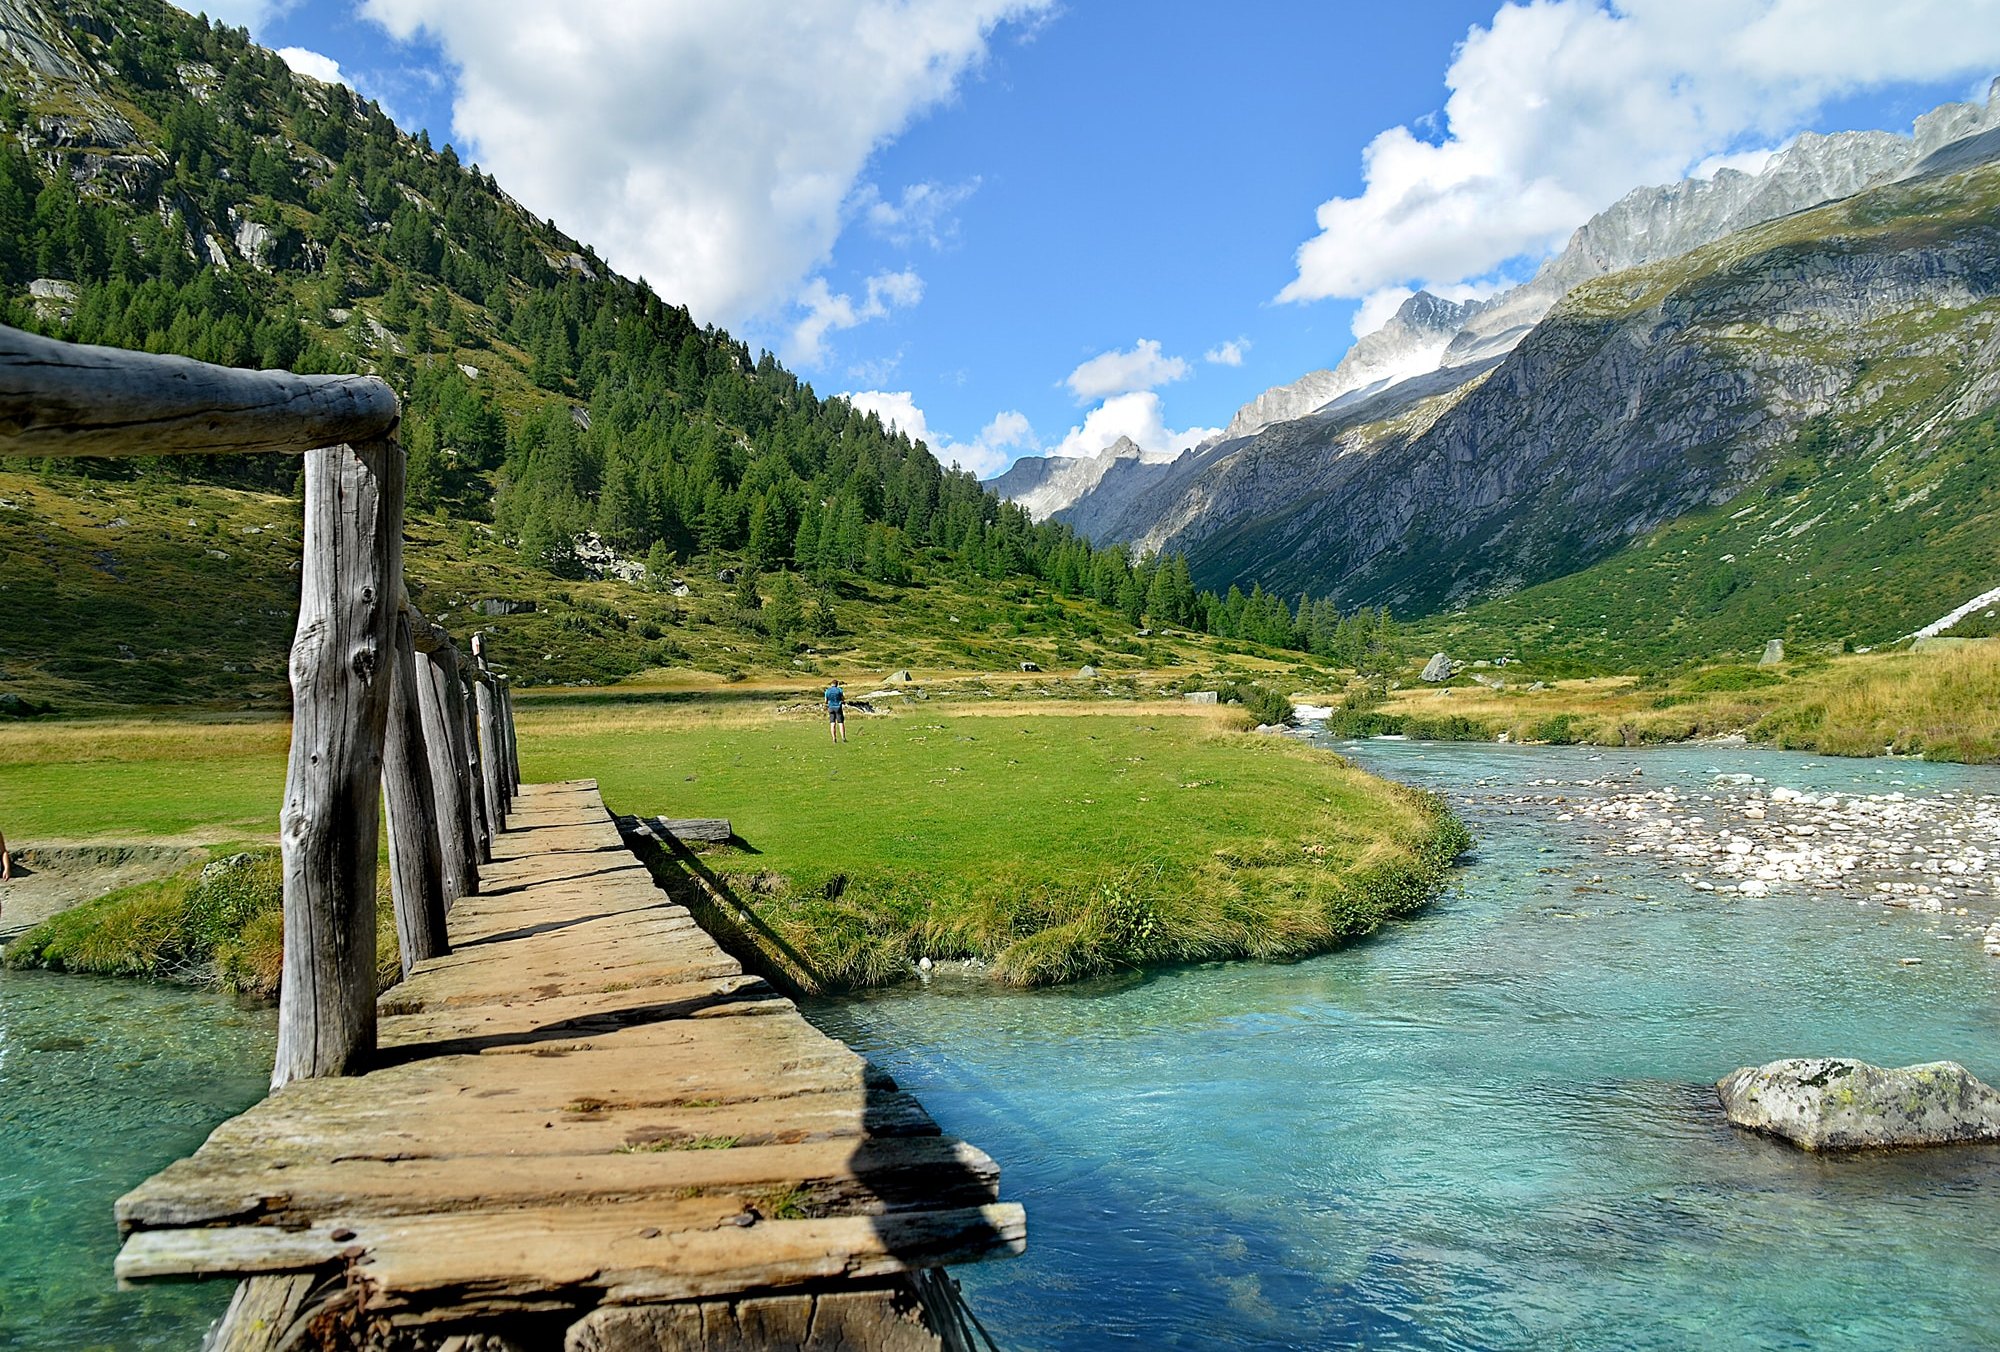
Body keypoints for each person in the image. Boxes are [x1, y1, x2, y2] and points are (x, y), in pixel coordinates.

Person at [824, 678, 847, 744]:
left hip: (831, 707)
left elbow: (826, 701)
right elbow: (843, 698)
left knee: (832, 723)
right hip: (838, 707)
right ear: (837, 684)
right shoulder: (839, 690)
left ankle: (834, 738)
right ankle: (843, 738)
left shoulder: (827, 691)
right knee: (840, 723)